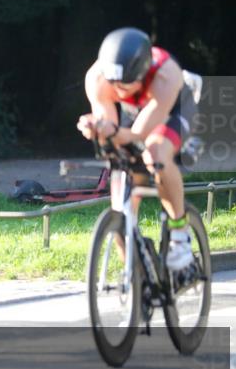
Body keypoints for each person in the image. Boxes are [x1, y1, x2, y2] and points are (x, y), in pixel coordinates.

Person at [77, 27, 198, 273]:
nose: (118, 90)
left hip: (174, 108)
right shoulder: (97, 78)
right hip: (135, 111)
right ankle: (137, 274)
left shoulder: (165, 75)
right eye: (114, 84)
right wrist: (96, 127)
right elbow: (110, 129)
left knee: (155, 154)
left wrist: (113, 132)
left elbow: (137, 135)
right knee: (120, 202)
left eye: (125, 85)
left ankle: (180, 233)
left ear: (142, 74)